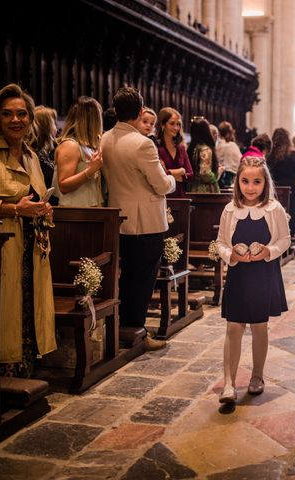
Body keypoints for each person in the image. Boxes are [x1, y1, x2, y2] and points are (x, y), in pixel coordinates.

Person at [0, 83, 56, 377]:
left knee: (28, 305)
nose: (15, 120)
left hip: (32, 246)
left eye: (21, 114)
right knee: (8, 308)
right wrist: (13, 209)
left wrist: (43, 208)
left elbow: (35, 195)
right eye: (7, 114)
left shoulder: (31, 155)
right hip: (2, 246)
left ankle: (27, 367)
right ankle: (5, 371)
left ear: (30, 118)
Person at [101, 86, 176, 351]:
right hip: (145, 222)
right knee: (142, 279)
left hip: (118, 219)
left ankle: (122, 328)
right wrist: (171, 179)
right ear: (140, 111)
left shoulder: (105, 138)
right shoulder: (143, 144)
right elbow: (160, 185)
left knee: (126, 277)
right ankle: (137, 333)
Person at [215, 156, 290, 403]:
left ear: (265, 183)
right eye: (245, 181)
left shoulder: (273, 209)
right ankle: (228, 383)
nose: (250, 187)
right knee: (233, 327)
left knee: (259, 327)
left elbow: (284, 240)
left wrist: (268, 252)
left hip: (263, 274)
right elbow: (221, 243)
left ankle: (257, 376)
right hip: (239, 274)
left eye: (256, 182)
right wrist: (232, 255)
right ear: (237, 182)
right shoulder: (230, 210)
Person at [53, 96, 104, 207]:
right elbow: (63, 185)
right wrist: (90, 170)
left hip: (89, 211)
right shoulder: (70, 145)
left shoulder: (88, 145)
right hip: (74, 213)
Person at [267, 128, 295, 237]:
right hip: (289, 187)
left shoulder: (271, 154)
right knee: (290, 209)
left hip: (275, 187)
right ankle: (289, 234)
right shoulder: (291, 154)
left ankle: (274, 233)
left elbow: (267, 170)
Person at [156, 107, 193, 198]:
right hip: (163, 197)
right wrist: (181, 171)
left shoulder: (181, 148)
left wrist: (170, 173)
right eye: (172, 124)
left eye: (178, 124)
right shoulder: (156, 148)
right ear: (163, 125)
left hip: (181, 196)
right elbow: (159, 175)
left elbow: (191, 174)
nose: (176, 128)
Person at [28, 105, 59, 204]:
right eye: (54, 123)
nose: (56, 128)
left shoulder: (48, 150)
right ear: (47, 126)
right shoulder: (31, 152)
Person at [187, 117, 221, 192]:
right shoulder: (205, 149)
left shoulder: (192, 148)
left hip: (192, 188)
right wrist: (217, 174)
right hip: (205, 191)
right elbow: (205, 173)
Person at [216, 121, 241, 189]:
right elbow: (240, 162)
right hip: (231, 177)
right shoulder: (232, 145)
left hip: (221, 177)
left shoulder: (218, 145)